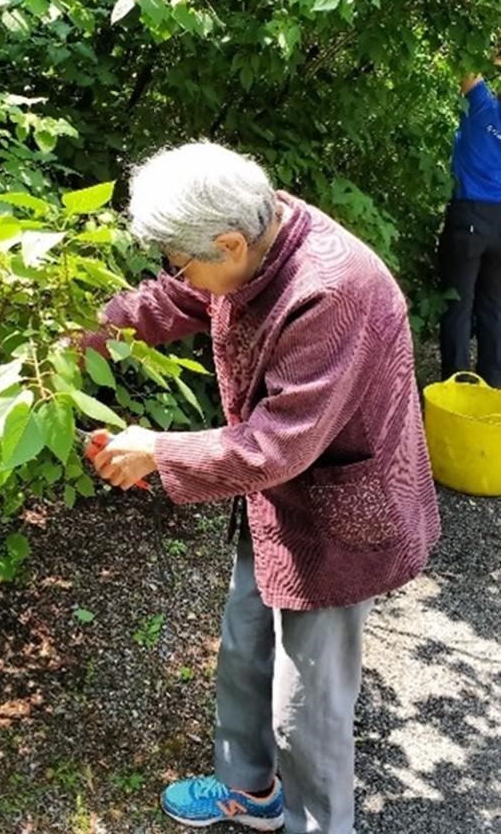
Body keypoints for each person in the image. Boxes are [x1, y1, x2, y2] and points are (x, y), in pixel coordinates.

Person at [80, 142, 441, 833]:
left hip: (339, 511)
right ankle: (248, 789)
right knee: (245, 640)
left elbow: (278, 442)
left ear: (227, 242)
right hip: (275, 494)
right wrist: (88, 332)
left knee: (308, 700)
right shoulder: (252, 231)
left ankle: (318, 822)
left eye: (182, 259)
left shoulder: (332, 289)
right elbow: (172, 297)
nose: (176, 273)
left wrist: (156, 450)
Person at [439, 71, 501, 387]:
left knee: (458, 305)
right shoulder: (484, 106)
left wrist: (494, 55)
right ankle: (495, 388)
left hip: (470, 216)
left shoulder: (483, 107)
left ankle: (457, 388)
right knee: (493, 307)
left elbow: (465, 66)